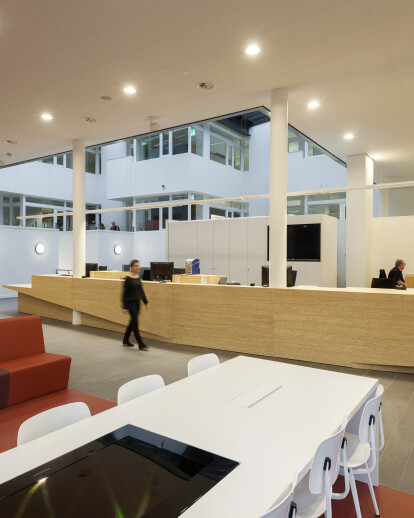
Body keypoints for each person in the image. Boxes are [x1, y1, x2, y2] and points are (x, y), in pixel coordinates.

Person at [121, 259, 149, 350]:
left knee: (132, 322)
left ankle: (125, 339)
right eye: (136, 266)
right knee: (135, 323)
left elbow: (141, 291)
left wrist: (146, 302)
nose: (138, 267)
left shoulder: (138, 277)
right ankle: (141, 344)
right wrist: (124, 306)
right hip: (130, 303)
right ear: (132, 268)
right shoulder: (128, 279)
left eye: (138, 265)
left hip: (137, 303)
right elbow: (124, 293)